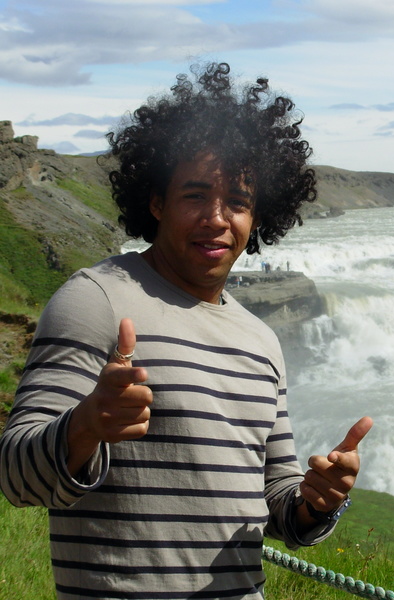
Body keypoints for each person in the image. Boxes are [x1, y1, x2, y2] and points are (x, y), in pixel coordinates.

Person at [0, 62, 372, 599]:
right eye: (196, 195)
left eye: (238, 202)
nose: (217, 218)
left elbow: (276, 502)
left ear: (257, 217)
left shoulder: (260, 341)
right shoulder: (96, 299)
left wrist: (316, 501)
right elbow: (14, 476)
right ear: (155, 202)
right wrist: (85, 425)